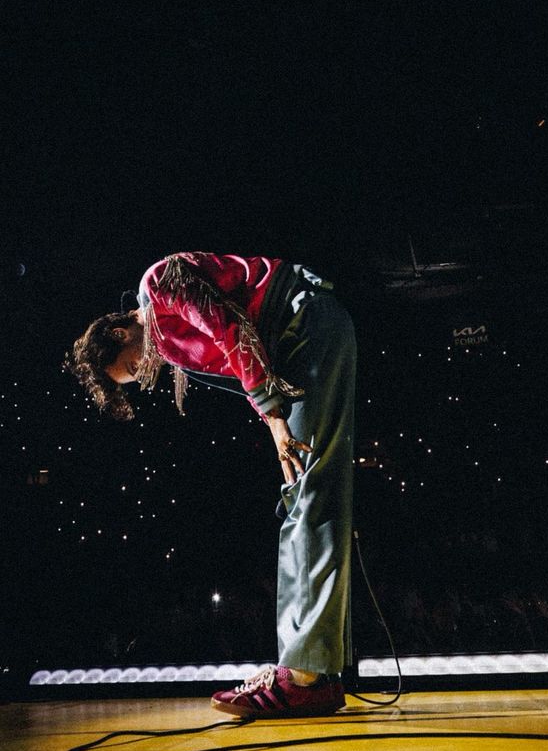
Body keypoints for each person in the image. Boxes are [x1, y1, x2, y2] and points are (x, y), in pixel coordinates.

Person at [67, 251, 356, 719]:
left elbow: (229, 327)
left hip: (304, 324)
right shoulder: (171, 343)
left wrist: (276, 417)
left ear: (121, 332)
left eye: (133, 364)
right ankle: (313, 671)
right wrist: (273, 421)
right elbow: (246, 368)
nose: (145, 373)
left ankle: (304, 676)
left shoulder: (160, 284)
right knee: (304, 496)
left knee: (311, 494)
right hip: (302, 337)